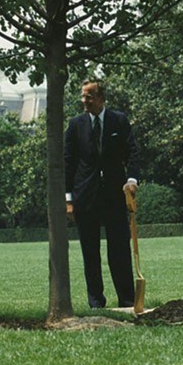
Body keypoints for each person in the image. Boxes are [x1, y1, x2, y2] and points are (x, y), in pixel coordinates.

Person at [64, 78, 140, 308]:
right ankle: (96, 300)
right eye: (83, 96)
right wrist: (68, 200)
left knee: (119, 249)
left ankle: (126, 299)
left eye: (89, 96)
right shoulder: (76, 125)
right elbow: (68, 163)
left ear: (101, 98)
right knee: (90, 251)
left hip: (114, 196)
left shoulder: (119, 121)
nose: (84, 101)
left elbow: (133, 153)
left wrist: (132, 180)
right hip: (85, 197)